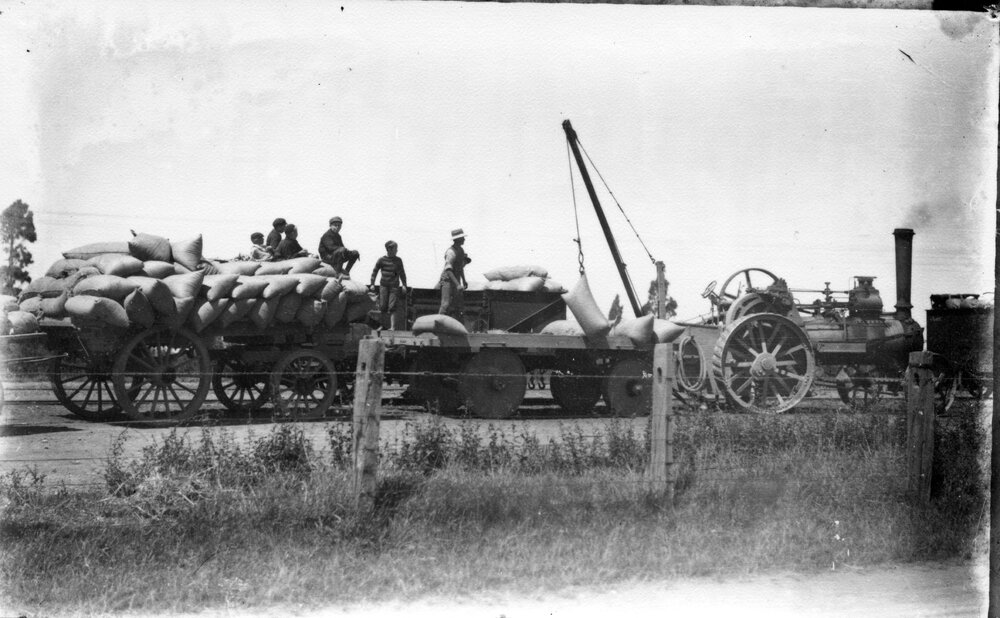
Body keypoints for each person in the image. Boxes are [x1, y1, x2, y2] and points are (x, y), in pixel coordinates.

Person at [368, 240, 408, 330]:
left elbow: (402, 273)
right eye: (395, 249)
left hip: (394, 286)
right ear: (389, 249)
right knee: (382, 306)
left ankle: (392, 327)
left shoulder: (398, 260)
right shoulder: (381, 260)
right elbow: (374, 271)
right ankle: (383, 325)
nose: (397, 250)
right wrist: (372, 283)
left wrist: (404, 285)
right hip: (384, 286)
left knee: (392, 306)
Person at [438, 228, 470, 320]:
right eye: (462, 238)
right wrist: (457, 284)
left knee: (458, 304)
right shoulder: (451, 252)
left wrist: (463, 280)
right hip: (447, 279)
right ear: (457, 239)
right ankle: (438, 325)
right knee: (445, 304)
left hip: (456, 279)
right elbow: (448, 270)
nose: (464, 239)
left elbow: (460, 268)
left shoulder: (461, 250)